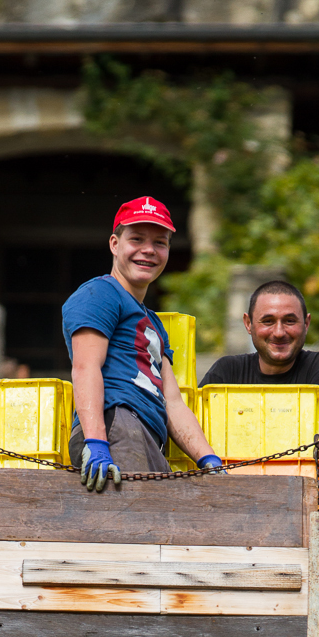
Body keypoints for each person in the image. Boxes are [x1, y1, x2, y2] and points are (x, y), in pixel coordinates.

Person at [200, 280, 319, 637]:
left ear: (306, 324)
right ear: (248, 324)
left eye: (290, 320)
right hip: (244, 546)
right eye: (268, 321)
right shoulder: (226, 374)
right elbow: (196, 440)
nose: (279, 331)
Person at [62, 196, 223, 491]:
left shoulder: (154, 323)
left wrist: (208, 459)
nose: (148, 250)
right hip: (116, 428)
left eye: (160, 243)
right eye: (136, 239)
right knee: (131, 533)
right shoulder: (100, 294)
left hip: (147, 436)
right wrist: (97, 443)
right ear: (114, 244)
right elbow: (85, 368)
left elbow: (172, 401)